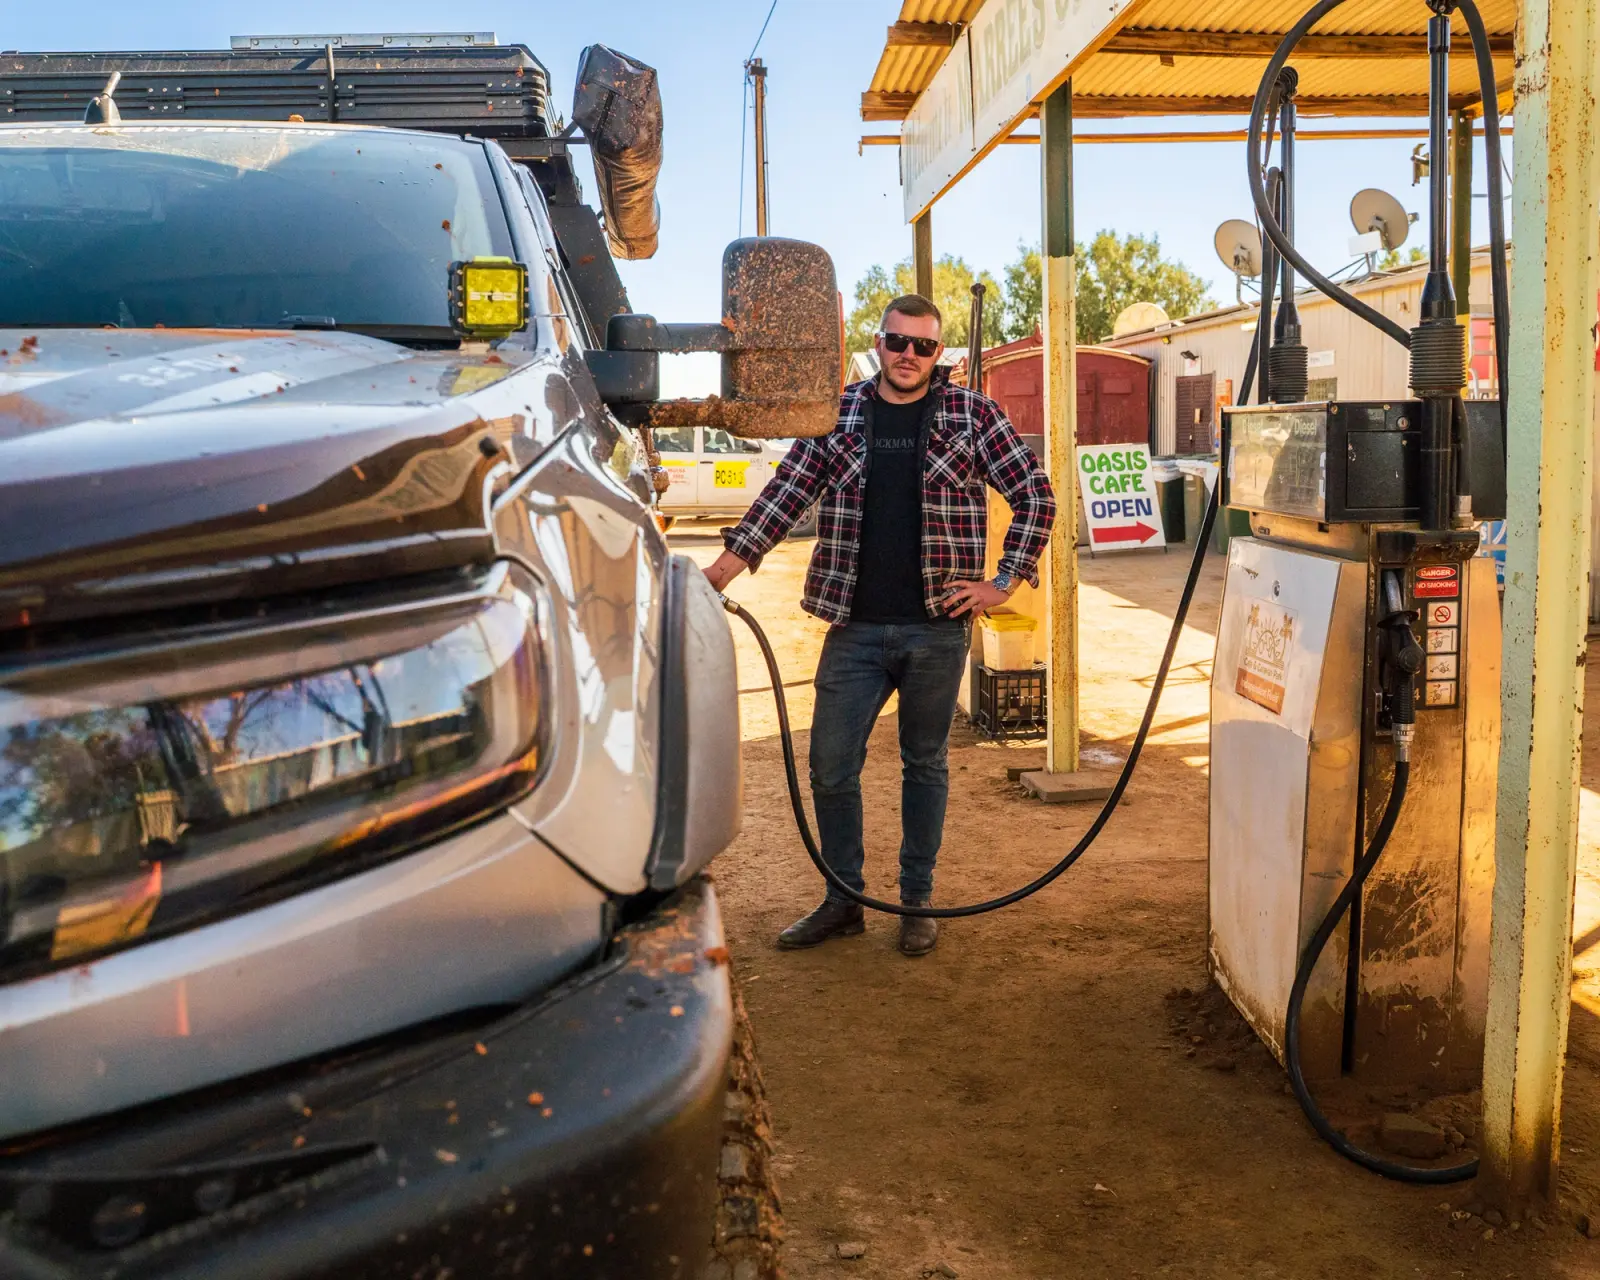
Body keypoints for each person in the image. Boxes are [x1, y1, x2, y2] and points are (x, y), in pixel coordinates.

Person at [702, 294, 1056, 956]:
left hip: (936, 629)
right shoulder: (838, 412)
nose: (909, 356)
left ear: (938, 353)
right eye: (898, 342)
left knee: (925, 765)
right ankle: (845, 900)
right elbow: (787, 492)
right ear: (879, 341)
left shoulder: (973, 414)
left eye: (924, 347)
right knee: (831, 767)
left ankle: (914, 902)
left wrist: (1001, 582)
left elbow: (1036, 495)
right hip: (854, 628)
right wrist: (723, 567)